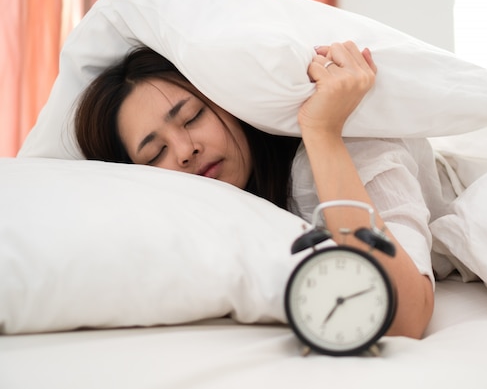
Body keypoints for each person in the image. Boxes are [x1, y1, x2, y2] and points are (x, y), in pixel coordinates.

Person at [75, 41, 441, 339]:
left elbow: (403, 319)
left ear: (229, 103)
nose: (185, 151)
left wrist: (323, 132)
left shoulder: (347, 150)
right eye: (156, 153)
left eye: (192, 118)